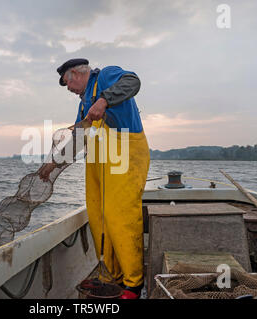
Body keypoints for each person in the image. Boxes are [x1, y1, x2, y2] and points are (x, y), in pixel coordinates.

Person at [40, 58, 150, 299]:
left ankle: (134, 283)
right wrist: (52, 163)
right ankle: (112, 275)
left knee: (120, 215)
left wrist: (104, 99)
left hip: (125, 155)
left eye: (67, 82)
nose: (68, 88)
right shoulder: (83, 105)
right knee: (98, 216)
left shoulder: (106, 76)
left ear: (77, 74)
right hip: (98, 161)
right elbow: (79, 138)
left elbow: (133, 81)